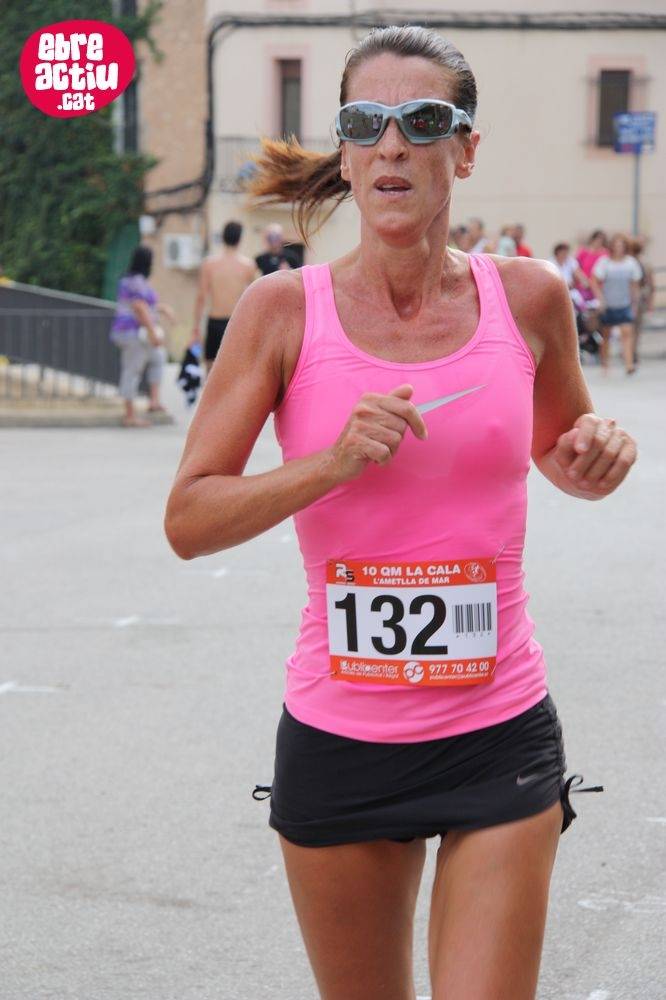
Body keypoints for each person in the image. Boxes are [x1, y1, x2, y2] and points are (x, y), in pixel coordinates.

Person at [164, 26, 636, 1000]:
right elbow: (190, 519)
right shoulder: (282, 312)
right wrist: (332, 463)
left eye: (422, 120)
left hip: (498, 726)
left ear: (464, 150)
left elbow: (565, 456)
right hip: (341, 736)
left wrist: (598, 458)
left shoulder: (530, 298)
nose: (391, 144)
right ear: (344, 153)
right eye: (363, 122)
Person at [110, 245, 172, 427]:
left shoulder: (129, 280)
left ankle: (154, 401)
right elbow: (139, 307)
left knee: (158, 358)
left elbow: (144, 306)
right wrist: (153, 332)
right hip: (133, 332)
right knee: (132, 369)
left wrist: (162, 309)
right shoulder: (137, 282)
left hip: (132, 332)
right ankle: (129, 415)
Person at [191, 221, 257, 373]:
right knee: (236, 372)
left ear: (223, 237)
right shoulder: (248, 266)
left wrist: (196, 327)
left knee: (210, 371)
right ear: (240, 239)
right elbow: (255, 299)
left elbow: (201, 297)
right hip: (236, 323)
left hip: (214, 322)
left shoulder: (209, 264)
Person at [589, 233, 642, 374]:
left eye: (621, 245)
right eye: (616, 245)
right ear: (611, 247)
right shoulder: (605, 262)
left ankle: (629, 364)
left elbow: (634, 285)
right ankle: (605, 364)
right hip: (608, 305)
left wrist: (635, 303)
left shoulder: (630, 263)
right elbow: (594, 280)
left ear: (625, 247)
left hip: (624, 304)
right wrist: (600, 298)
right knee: (606, 336)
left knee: (627, 333)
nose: (619, 248)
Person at [630, 235, 655, 366]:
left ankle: (632, 352)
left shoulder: (645, 263)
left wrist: (650, 303)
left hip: (639, 298)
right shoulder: (629, 262)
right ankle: (630, 351)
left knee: (635, 327)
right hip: (629, 298)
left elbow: (650, 285)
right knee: (631, 327)